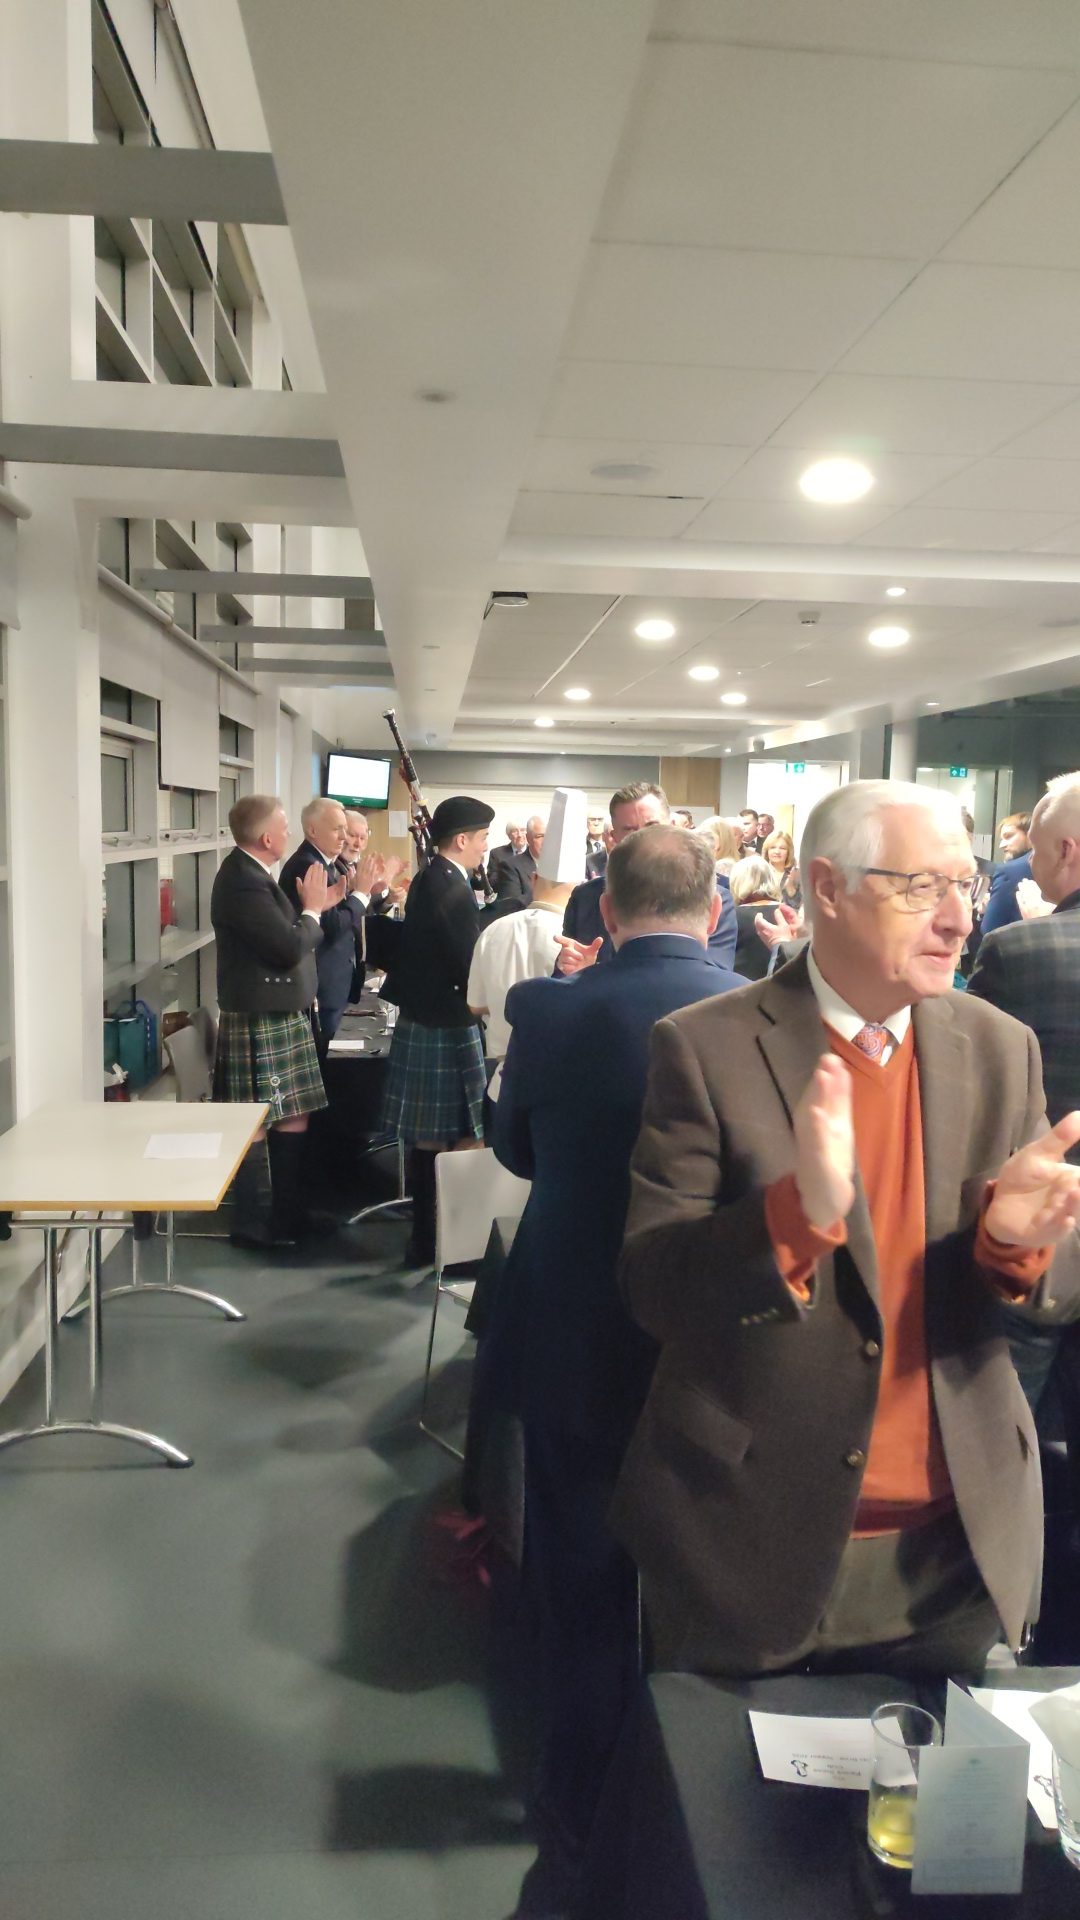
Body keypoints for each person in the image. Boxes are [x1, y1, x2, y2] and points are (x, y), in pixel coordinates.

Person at [611, 778, 1080, 1682]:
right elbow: (654, 1288)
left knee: (937, 1776)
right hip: (751, 1542)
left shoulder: (998, 1045)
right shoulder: (704, 1046)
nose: (958, 918)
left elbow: (1056, 1279)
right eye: (921, 886)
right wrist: (792, 1220)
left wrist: (1017, 1244)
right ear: (827, 887)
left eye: (965, 885)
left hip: (954, 1551)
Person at [483, 824, 745, 1917]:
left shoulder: (551, 1010)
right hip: (714, 1331)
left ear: (606, 906)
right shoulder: (755, 1012)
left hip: (575, 1315)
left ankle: (578, 1789)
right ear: (715, 907)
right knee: (708, 1559)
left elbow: (514, 1149)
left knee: (581, 1554)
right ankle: (691, 1796)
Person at [968, 773, 1080, 1413]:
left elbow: (970, 1074)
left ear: (1067, 851)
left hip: (1033, 1231)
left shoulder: (1017, 949)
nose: (1029, 866)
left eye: (1035, 850)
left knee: (1010, 1428)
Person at [210, 794, 329, 1249]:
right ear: (265, 837)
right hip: (259, 1015)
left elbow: (287, 937)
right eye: (283, 826)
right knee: (255, 1120)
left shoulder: (254, 875)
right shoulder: (242, 880)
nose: (288, 833)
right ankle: (254, 1224)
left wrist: (316, 909)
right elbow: (286, 947)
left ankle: (289, 1213)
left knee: (292, 1114)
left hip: (277, 1012)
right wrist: (312, 910)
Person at [380, 796, 494, 1265]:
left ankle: (429, 1238)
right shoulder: (448, 885)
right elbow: (467, 959)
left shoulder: (438, 876)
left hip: (432, 1018)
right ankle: (442, 1240)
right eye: (483, 838)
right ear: (462, 840)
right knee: (457, 1133)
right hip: (446, 1021)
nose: (486, 847)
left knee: (432, 1135)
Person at [468, 789, 585, 1098]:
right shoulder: (579, 942)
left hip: (502, 1083)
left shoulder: (493, 930)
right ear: (581, 889)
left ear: (533, 880)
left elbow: (475, 1005)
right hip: (560, 1085)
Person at [559, 782, 737, 974]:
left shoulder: (710, 896)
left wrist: (595, 976)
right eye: (630, 830)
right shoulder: (586, 898)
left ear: (673, 827)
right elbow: (563, 977)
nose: (643, 837)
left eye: (652, 826)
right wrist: (575, 970)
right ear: (613, 837)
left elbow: (714, 977)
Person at [279, 798, 374, 1047]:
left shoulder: (326, 863)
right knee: (327, 1060)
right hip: (322, 984)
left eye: (345, 829)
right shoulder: (309, 865)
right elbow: (331, 927)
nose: (344, 837)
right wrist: (361, 895)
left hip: (336, 981)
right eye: (337, 829)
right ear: (313, 831)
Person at [729, 852, 783, 981]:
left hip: (740, 988)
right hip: (782, 988)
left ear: (737, 882)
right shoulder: (788, 914)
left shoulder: (731, 916)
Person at [495, 813, 545, 905]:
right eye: (539, 836)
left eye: (549, 836)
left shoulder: (561, 865)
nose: (545, 841)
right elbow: (510, 906)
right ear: (528, 838)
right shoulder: (510, 867)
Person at [762, 827, 802, 916]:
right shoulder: (759, 872)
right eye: (772, 847)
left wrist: (791, 890)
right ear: (767, 850)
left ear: (789, 852)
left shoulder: (797, 875)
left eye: (782, 848)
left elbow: (797, 908)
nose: (777, 852)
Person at [487, 820, 527, 893]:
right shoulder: (496, 854)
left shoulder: (535, 852)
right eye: (515, 831)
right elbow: (492, 882)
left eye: (522, 830)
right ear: (509, 835)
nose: (519, 835)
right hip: (506, 896)